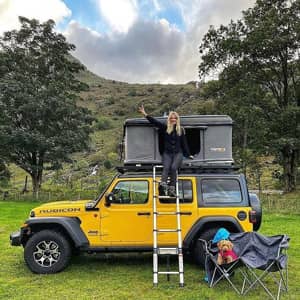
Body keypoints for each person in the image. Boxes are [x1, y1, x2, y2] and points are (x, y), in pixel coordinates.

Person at [138, 105, 193, 196]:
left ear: (177, 119)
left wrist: (188, 154)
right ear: (169, 119)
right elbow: (154, 122)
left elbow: (184, 143)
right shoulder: (165, 128)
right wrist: (145, 114)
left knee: (174, 167)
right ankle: (163, 186)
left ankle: (172, 189)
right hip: (167, 153)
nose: (173, 119)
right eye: (171, 118)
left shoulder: (181, 130)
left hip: (178, 153)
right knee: (166, 168)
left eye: (175, 118)